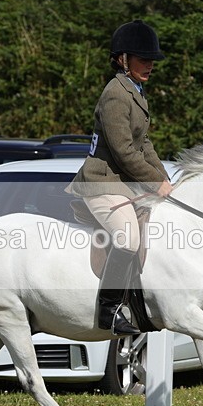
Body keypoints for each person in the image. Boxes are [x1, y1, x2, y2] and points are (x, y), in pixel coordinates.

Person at [66, 19, 173, 335]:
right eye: (143, 59)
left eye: (152, 60)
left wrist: (165, 179)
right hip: (102, 182)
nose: (150, 65)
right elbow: (124, 152)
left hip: (121, 183)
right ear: (123, 59)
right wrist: (154, 183)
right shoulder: (115, 93)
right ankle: (109, 310)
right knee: (128, 239)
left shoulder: (136, 91)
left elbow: (144, 143)